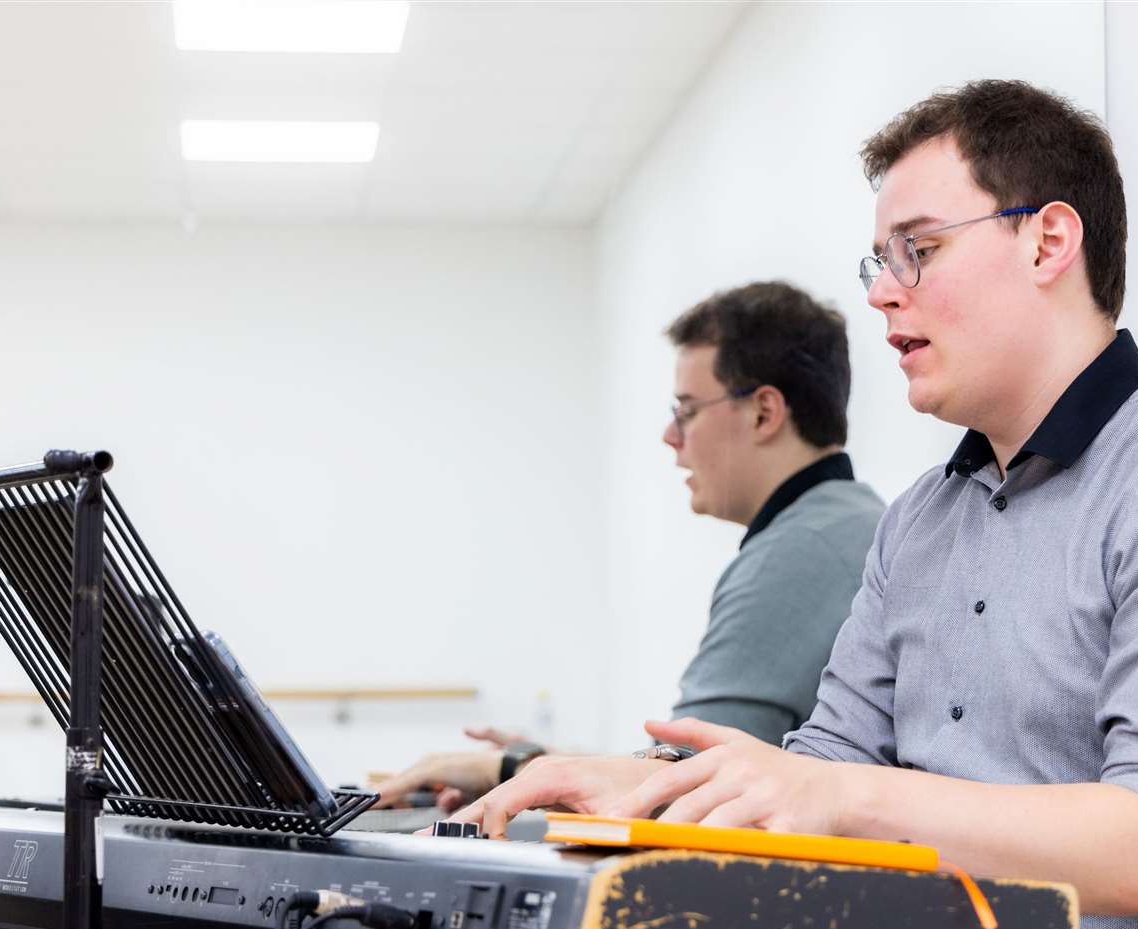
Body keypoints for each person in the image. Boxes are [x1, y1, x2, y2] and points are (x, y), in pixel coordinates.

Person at [448, 80, 1138, 929]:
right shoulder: (920, 520)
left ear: (1050, 243)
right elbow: (826, 759)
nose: (882, 291)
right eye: (882, 260)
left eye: (920, 251)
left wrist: (840, 797)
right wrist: (646, 792)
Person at [372, 281, 886, 811]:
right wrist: (547, 764)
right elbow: (695, 763)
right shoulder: (848, 524)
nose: (670, 435)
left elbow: (684, 785)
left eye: (686, 410)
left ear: (763, 412)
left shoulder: (801, 552)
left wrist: (514, 770)